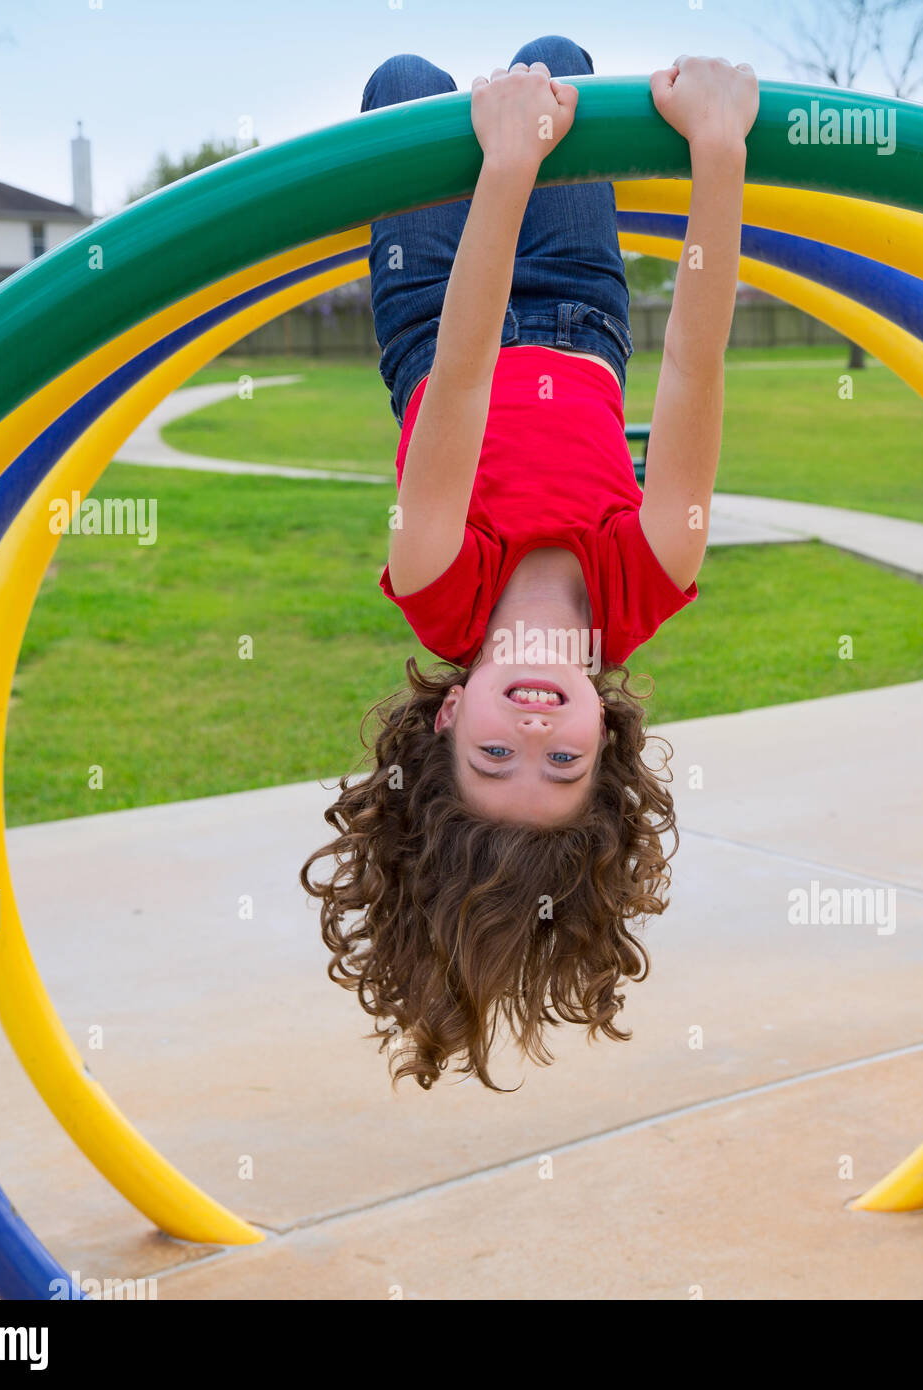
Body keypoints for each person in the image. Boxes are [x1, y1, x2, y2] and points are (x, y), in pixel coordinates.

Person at [302, 37, 757, 1090]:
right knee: (556, 64)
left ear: (451, 719)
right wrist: (718, 151)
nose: (538, 734)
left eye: (498, 758)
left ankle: (485, 130)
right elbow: (695, 361)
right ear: (608, 737)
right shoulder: (654, 574)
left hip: (430, 320)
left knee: (405, 87)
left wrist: (507, 169)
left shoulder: (434, 587)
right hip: (578, 306)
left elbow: (458, 388)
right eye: (564, 765)